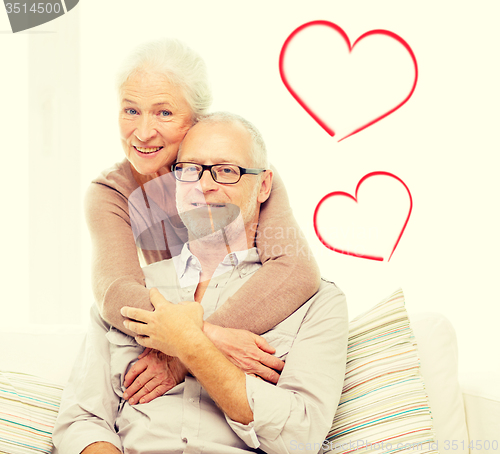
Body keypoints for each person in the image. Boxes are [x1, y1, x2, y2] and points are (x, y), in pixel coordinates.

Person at [53, 112, 348, 454]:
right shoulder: (128, 296)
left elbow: (300, 436)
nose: (205, 185)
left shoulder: (317, 303)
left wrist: (188, 345)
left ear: (264, 185)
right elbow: (82, 421)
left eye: (226, 171)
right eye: (190, 169)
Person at [85, 38, 322, 403]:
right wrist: (205, 340)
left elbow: (296, 269)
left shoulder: (243, 174)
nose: (144, 132)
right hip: (180, 325)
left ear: (196, 121)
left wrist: (184, 355)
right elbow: (116, 292)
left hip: (247, 329)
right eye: (131, 110)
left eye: (164, 113)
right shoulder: (110, 192)